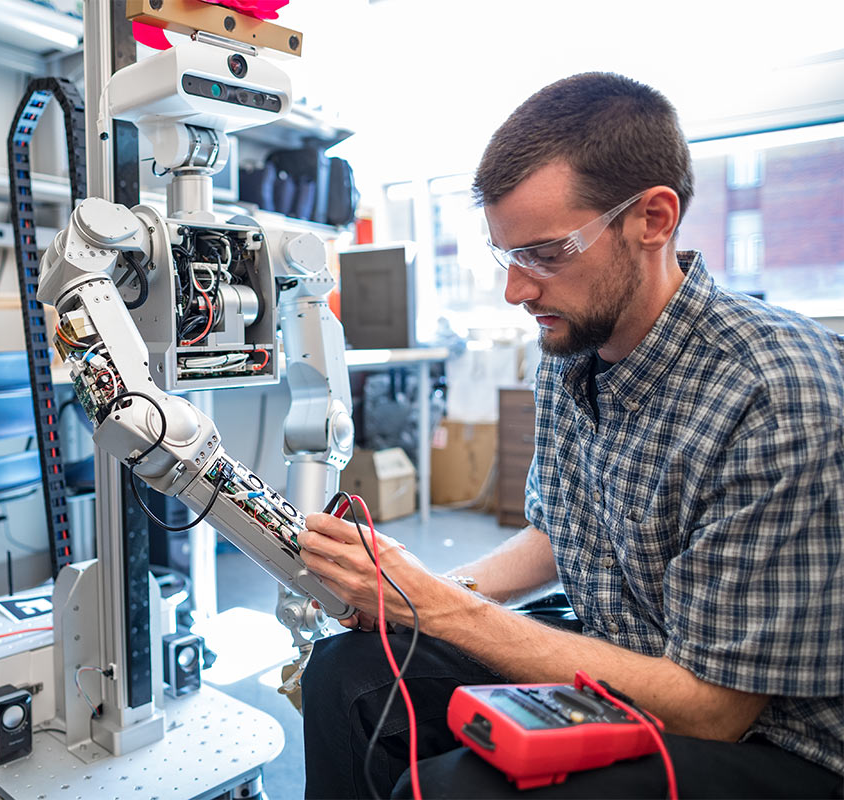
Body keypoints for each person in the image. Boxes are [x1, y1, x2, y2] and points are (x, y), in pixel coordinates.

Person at [299, 72, 843, 799]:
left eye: (546, 254)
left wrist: (434, 605)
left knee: (460, 791)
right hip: (625, 648)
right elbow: (564, 534)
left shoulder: (775, 394)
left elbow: (714, 710)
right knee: (347, 676)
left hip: (776, 742)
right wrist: (412, 591)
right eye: (508, 255)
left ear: (653, 219)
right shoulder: (573, 340)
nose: (516, 291)